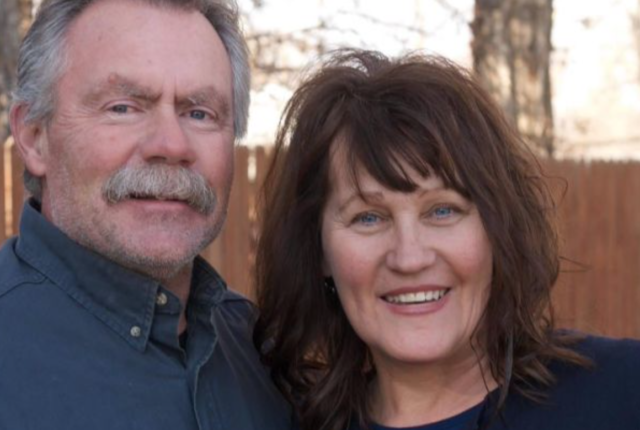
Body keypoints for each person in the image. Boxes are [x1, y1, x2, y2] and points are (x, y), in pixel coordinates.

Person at [0, 0, 290, 429]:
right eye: (123, 108)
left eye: (199, 113)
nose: (171, 145)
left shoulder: (269, 358)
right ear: (34, 137)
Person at [253, 49, 640, 430]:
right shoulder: (286, 422)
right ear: (318, 249)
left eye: (442, 211)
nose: (410, 258)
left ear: (497, 226)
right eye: (368, 217)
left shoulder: (623, 395)